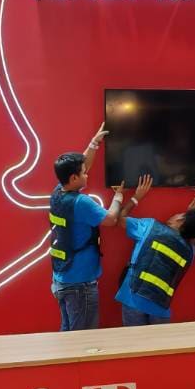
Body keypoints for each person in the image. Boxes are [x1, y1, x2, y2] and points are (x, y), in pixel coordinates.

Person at [49, 122, 125, 331]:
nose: (87, 174)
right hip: (80, 285)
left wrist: (93, 143)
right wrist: (118, 197)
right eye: (83, 173)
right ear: (74, 178)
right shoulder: (81, 203)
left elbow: (83, 166)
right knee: (83, 340)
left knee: (69, 333)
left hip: (62, 279)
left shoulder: (57, 192)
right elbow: (111, 219)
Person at [113, 174, 195, 326]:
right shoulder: (190, 252)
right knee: (159, 342)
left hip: (133, 298)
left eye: (180, 215)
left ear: (180, 220)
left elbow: (119, 218)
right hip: (161, 307)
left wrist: (136, 197)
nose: (175, 214)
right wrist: (192, 218)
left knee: (135, 340)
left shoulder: (149, 227)